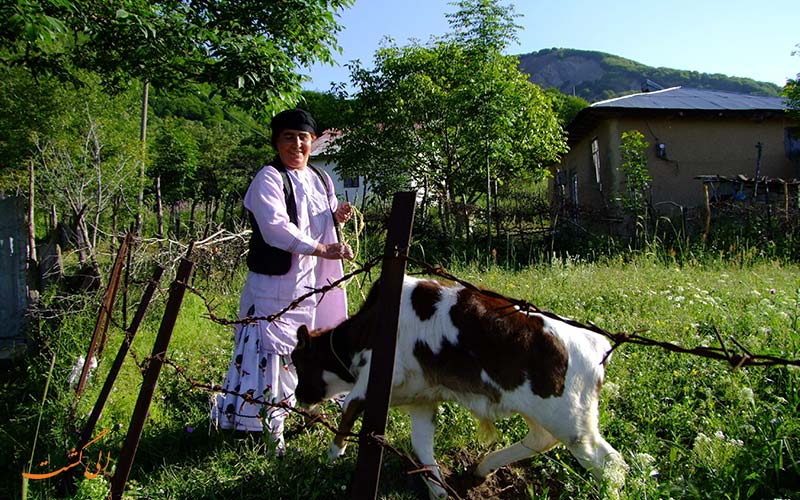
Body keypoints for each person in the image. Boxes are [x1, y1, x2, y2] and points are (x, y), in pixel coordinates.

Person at [213, 108, 353, 454]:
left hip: (314, 283)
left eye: (303, 137)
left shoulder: (322, 179)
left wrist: (336, 217)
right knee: (273, 353)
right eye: (288, 137)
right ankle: (266, 432)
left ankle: (303, 414)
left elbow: (319, 218)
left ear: (313, 141)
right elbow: (277, 229)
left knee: (307, 350)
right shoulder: (269, 179)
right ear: (276, 142)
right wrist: (321, 247)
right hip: (277, 287)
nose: (297, 144)